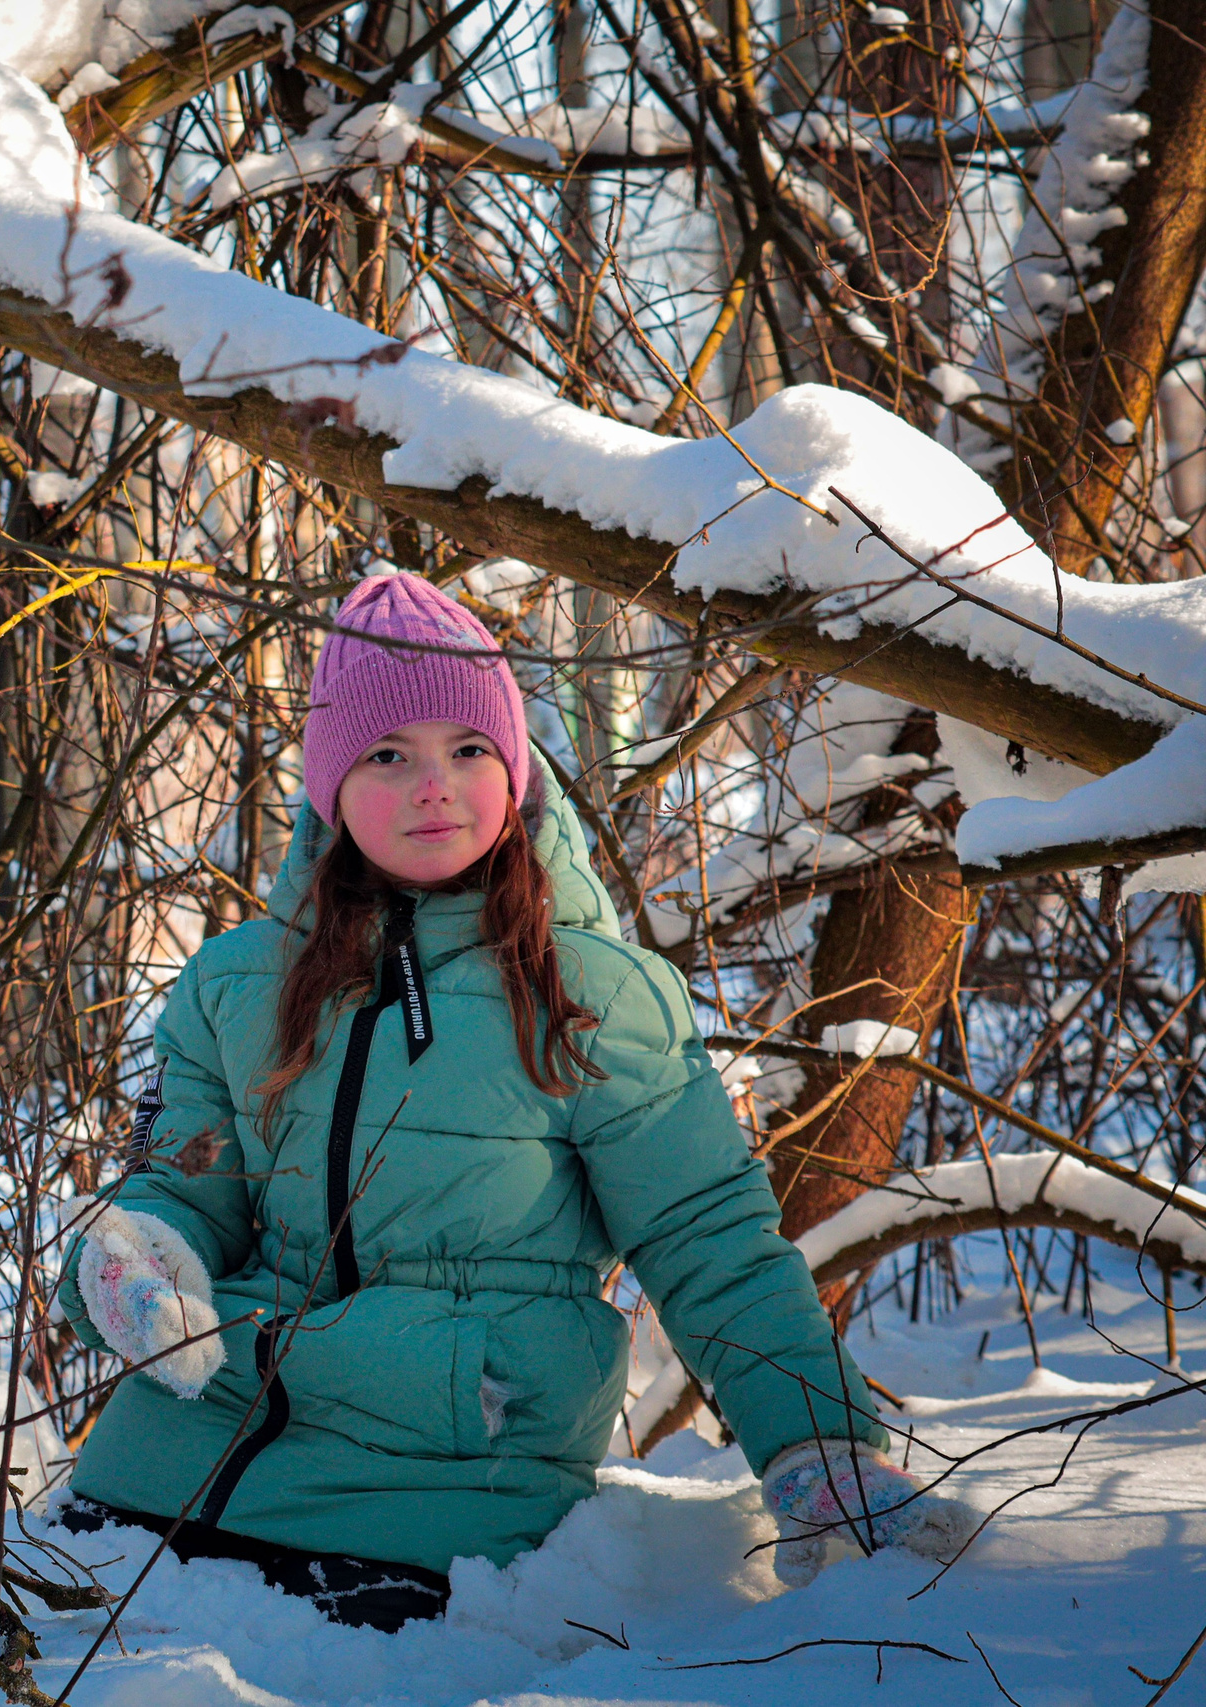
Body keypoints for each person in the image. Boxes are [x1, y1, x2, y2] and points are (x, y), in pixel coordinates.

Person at [52, 574, 971, 1631]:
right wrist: (133, 1250)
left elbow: (706, 1242)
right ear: (328, 790)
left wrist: (813, 1444)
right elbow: (184, 1187)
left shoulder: (593, 995)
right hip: (160, 1470)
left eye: (468, 750)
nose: (432, 785)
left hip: (437, 1491)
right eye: (387, 755)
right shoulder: (232, 981)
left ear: (517, 773)